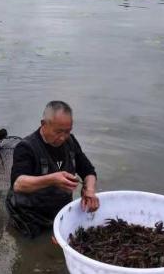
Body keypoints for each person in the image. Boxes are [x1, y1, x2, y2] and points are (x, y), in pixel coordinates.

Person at [7, 101, 100, 238]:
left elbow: (88, 171)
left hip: (60, 212)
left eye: (67, 131)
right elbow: (18, 184)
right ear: (43, 124)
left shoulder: (70, 141)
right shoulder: (26, 147)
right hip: (29, 217)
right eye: (58, 132)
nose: (63, 137)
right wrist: (52, 179)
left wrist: (89, 190)